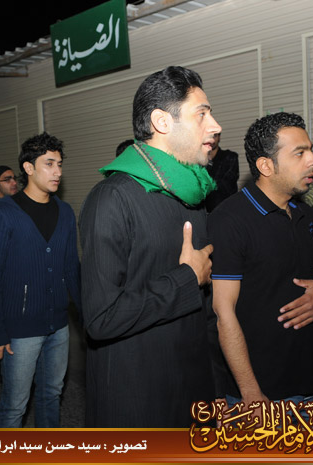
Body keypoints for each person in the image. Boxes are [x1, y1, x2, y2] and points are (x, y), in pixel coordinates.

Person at [79, 65, 219, 427]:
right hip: (138, 397)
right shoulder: (112, 198)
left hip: (192, 387)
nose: (215, 126)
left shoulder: (193, 193)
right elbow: (101, 319)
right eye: (202, 114)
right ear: (162, 122)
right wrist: (186, 279)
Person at [208, 113, 313, 414]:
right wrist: (250, 392)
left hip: (309, 384)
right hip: (257, 394)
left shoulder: (306, 214)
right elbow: (223, 313)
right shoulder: (230, 220)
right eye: (300, 153)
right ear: (266, 165)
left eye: (310, 149)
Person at [0, 132, 81, 428]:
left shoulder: (65, 212)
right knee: (15, 405)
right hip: (20, 331)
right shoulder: (3, 212)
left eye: (59, 164)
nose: (57, 172)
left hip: (58, 326)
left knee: (51, 394)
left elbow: (71, 268)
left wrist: (88, 314)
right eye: (49, 164)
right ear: (28, 168)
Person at [204, 132, 239, 212]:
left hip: (226, 210)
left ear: (219, 138)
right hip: (205, 211)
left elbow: (227, 185)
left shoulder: (230, 157)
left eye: (214, 136)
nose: (212, 139)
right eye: (209, 136)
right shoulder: (199, 161)